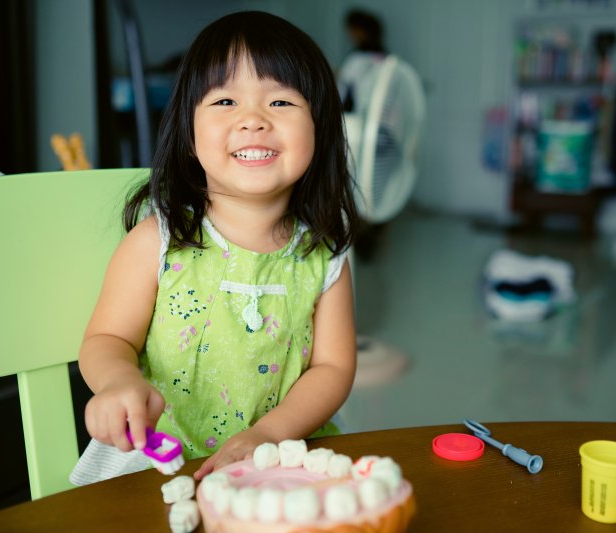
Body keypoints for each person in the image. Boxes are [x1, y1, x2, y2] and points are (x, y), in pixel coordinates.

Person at [71, 10, 359, 484]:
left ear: (319, 129)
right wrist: (118, 382)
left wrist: (270, 434)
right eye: (225, 100)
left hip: (279, 459)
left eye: (281, 103)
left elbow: (333, 367)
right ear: (187, 132)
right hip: (158, 462)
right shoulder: (157, 241)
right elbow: (108, 339)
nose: (253, 121)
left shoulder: (322, 255)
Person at [338, 8, 387, 113]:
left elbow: (343, 90)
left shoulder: (356, 59)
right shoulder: (384, 58)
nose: (350, 33)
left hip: (355, 114)